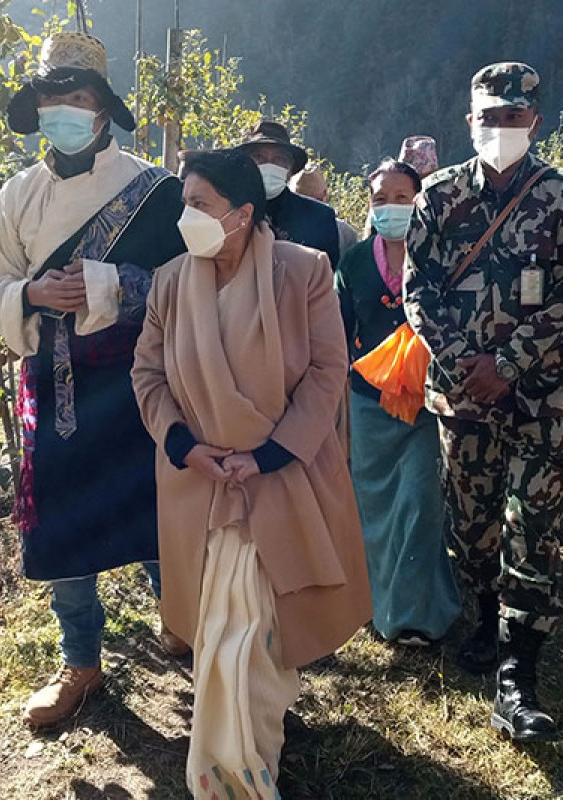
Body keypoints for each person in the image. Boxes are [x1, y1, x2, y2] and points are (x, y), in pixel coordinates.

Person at [131, 148, 372, 799]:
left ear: (240, 214)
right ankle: (227, 776)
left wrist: (266, 455)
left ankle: (247, 766)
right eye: (184, 203)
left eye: (199, 205)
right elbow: (147, 376)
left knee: (255, 643)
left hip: (281, 478)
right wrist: (184, 444)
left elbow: (327, 375)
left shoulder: (304, 273)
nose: (187, 217)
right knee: (219, 639)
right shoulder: (170, 282)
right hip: (203, 488)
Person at [0, 31, 186, 728]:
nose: (63, 109)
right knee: (63, 524)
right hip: (55, 389)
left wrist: (100, 284)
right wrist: (32, 296)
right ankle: (80, 662)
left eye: (78, 97)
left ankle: (180, 622)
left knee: (156, 513)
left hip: (142, 387)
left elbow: (193, 284)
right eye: (51, 98)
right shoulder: (18, 196)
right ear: (37, 110)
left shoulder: (157, 191)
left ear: (102, 109)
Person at [404, 62, 563, 740]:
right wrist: (467, 367)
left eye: (514, 117)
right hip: (463, 401)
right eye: (490, 117)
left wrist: (509, 364)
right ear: (470, 121)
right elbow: (417, 291)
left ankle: (520, 674)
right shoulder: (437, 193)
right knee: (473, 524)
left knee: (534, 526)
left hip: (543, 398)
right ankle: (483, 615)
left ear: (535, 121)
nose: (501, 128)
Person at [335, 158, 461, 648]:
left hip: (430, 400)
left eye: (402, 197)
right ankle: (377, 600)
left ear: (420, 199)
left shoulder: (443, 256)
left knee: (420, 504)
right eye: (380, 198)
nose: (391, 207)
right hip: (369, 402)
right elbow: (339, 333)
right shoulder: (354, 263)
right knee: (374, 507)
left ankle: (413, 615)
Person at [237, 120, 342, 267]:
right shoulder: (227, 213)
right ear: (245, 164)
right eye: (259, 157)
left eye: (279, 159)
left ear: (291, 169)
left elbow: (328, 278)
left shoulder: (319, 217)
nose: (269, 165)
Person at [289, 162, 360, 255]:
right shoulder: (276, 231)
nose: (309, 208)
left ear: (325, 196)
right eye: (302, 201)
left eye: (315, 201)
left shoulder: (345, 235)